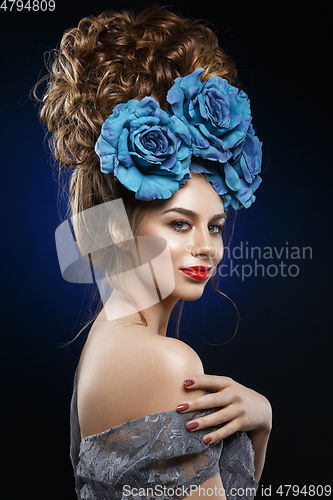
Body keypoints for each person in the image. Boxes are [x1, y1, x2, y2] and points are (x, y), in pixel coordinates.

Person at [37, 5, 272, 499]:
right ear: (120, 232)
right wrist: (263, 427)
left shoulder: (106, 341)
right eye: (180, 223)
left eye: (216, 225)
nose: (206, 248)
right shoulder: (165, 362)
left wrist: (260, 423)